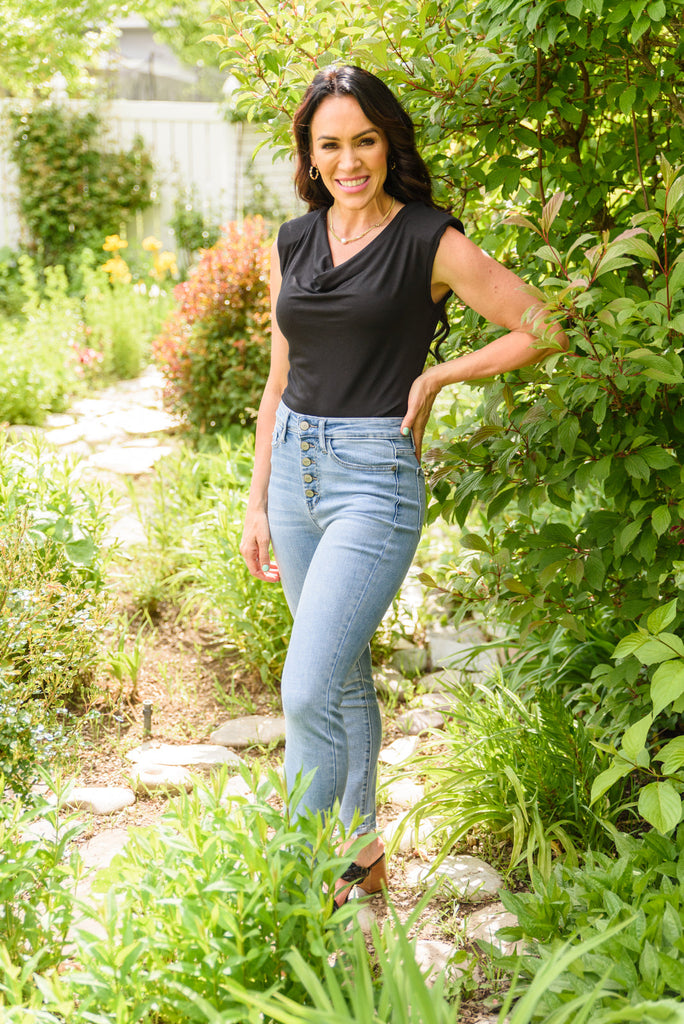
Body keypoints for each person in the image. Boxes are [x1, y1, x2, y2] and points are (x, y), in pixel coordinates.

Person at [240, 65, 567, 907]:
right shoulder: (291, 242)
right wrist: (256, 502)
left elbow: (544, 326)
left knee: (307, 688)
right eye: (330, 146)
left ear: (389, 144)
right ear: (309, 155)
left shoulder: (428, 239)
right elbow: (278, 380)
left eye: (365, 141)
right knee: (341, 675)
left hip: (371, 482)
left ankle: (295, 884)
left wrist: (439, 376)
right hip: (295, 470)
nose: (348, 162)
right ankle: (360, 851)